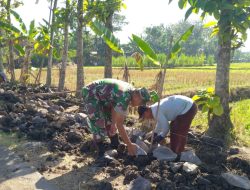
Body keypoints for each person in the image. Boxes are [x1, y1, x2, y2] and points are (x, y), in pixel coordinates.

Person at [82, 78, 151, 157]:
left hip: (102, 96)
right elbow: (120, 124)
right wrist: (129, 144)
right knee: (98, 121)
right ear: (137, 97)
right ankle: (101, 152)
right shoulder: (125, 96)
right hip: (91, 93)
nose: (139, 105)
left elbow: (115, 107)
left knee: (110, 120)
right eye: (141, 102)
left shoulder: (130, 91)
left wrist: (113, 123)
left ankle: (115, 144)